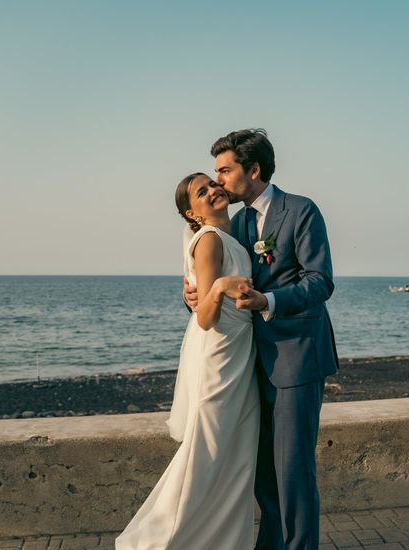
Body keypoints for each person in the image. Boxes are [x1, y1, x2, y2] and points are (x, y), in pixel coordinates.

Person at [185, 129, 339, 550]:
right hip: (249, 365)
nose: (217, 181)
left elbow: (320, 282)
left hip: (296, 359)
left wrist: (267, 299)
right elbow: (217, 283)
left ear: (253, 170)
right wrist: (193, 296)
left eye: (224, 170)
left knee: (292, 472)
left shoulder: (301, 211)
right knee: (263, 476)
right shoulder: (236, 223)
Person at [116, 174, 260, 549]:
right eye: (202, 191)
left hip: (241, 352)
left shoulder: (233, 233)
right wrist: (219, 287)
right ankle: (155, 542)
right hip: (220, 357)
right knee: (206, 455)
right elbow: (206, 317)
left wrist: (209, 288)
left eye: (214, 183)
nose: (214, 190)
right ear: (190, 213)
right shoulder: (209, 240)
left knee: (237, 458)